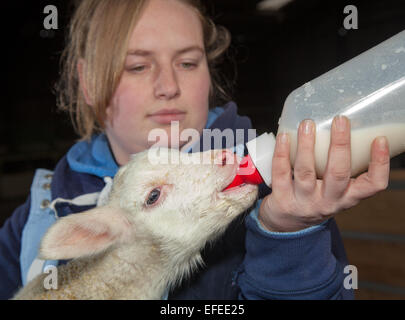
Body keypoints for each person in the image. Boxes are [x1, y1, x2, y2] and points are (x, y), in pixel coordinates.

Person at [0, 0, 390, 300]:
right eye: (137, 66)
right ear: (88, 83)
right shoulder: (35, 218)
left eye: (188, 62)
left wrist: (288, 238)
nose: (168, 85)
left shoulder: (290, 191)